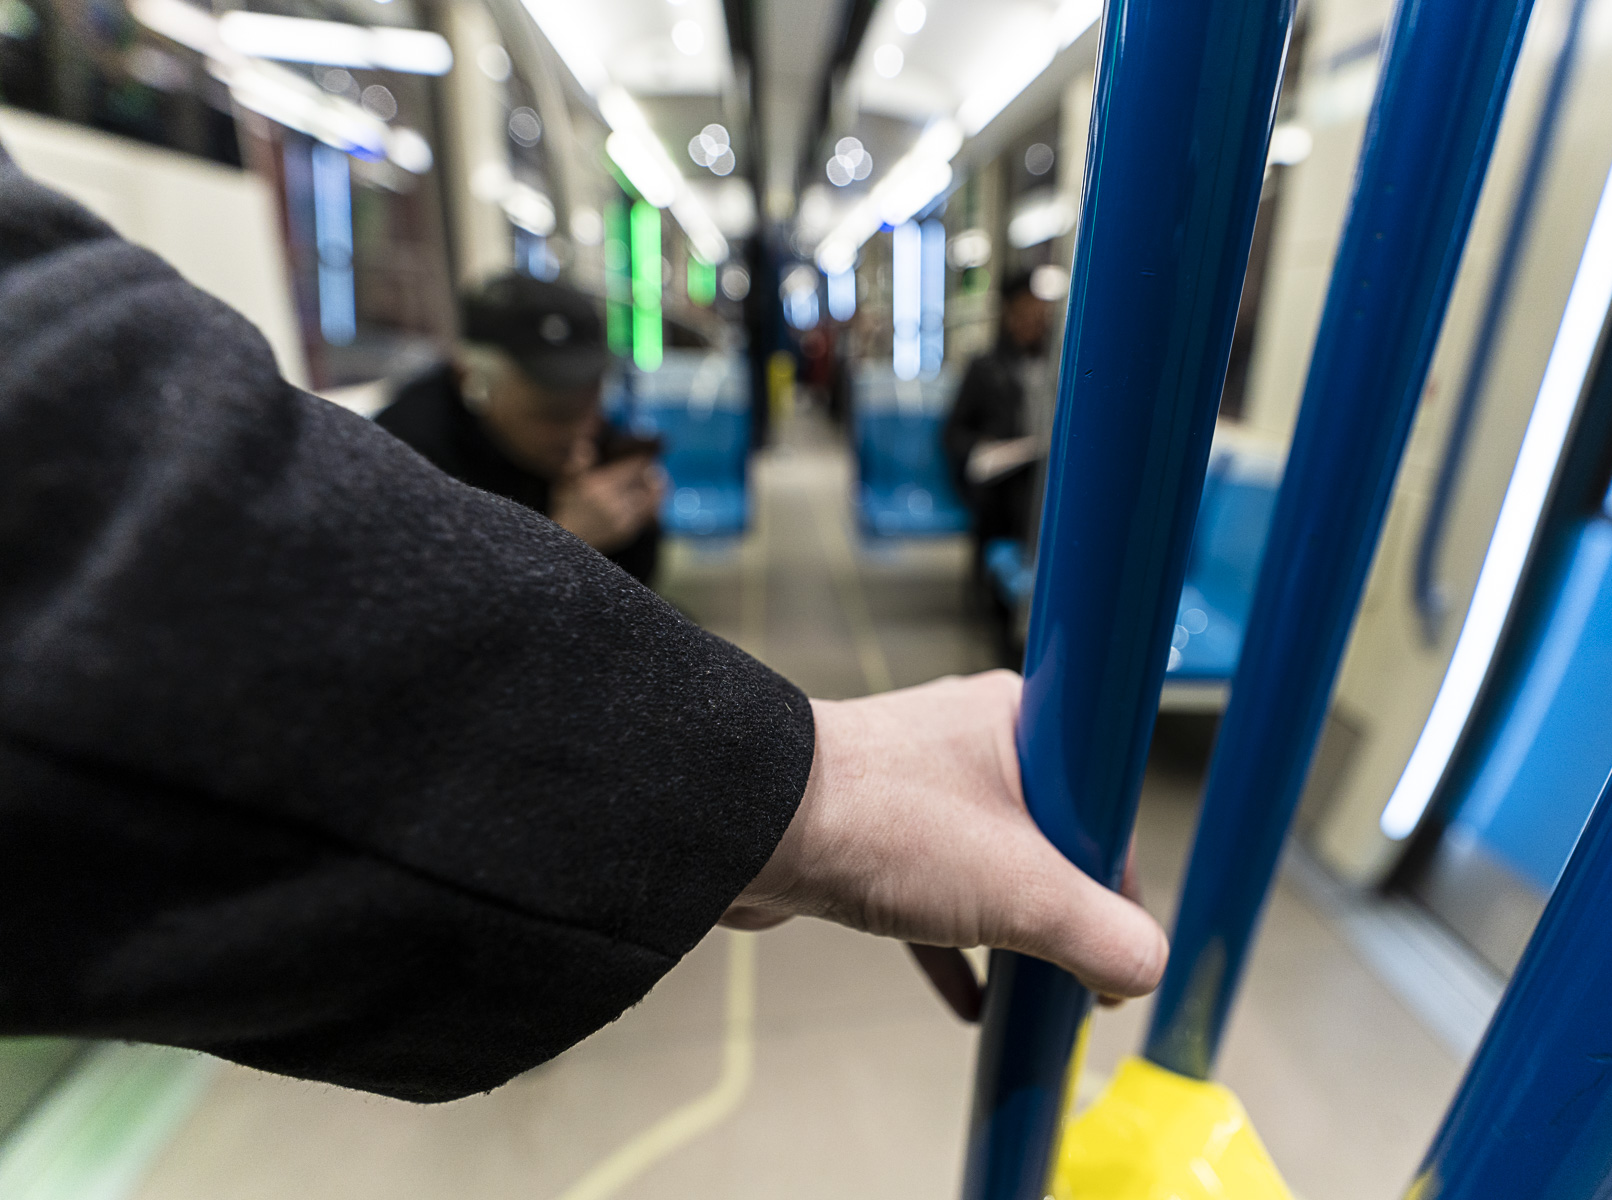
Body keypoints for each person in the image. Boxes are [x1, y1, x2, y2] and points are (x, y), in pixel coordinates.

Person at [0, 143, 1165, 1104]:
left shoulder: (596, 443)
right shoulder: (394, 447)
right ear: (474, 380)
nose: (575, 430)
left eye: (587, 405)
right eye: (549, 409)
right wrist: (802, 784)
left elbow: (632, 598)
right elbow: (271, 625)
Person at [376, 273, 664, 584]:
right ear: (470, 380)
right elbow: (427, 614)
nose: (582, 431)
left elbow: (637, 594)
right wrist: (565, 544)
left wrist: (636, 522)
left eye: (591, 406)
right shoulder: (403, 457)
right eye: (554, 415)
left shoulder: (590, 433)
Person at [942, 270, 1057, 571]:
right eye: (1026, 313)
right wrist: (983, 446)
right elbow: (953, 434)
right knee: (1020, 496)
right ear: (1009, 314)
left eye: (1039, 314)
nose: (1034, 321)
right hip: (1002, 478)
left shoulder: (1058, 366)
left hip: (1044, 466)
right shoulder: (985, 369)